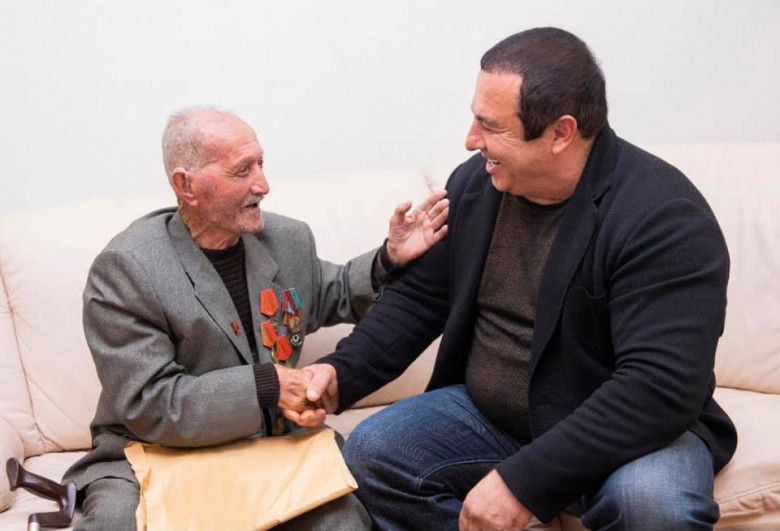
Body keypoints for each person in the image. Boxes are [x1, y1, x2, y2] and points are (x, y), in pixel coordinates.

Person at [306, 27, 737, 530]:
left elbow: (657, 387)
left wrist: (524, 482)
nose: (471, 140)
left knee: (653, 507)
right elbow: (421, 299)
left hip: (627, 433)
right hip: (497, 419)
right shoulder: (476, 185)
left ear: (561, 133)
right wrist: (340, 374)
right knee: (373, 454)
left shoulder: (663, 217)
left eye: (491, 126)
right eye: (475, 118)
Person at [63, 106, 449, 530]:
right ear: (186, 185)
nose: (263, 185)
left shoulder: (286, 239)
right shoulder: (127, 268)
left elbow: (332, 291)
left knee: (343, 522)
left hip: (266, 443)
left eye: (261, 164)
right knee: (117, 523)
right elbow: (153, 404)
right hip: (152, 449)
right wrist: (269, 386)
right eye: (242, 170)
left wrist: (388, 257)